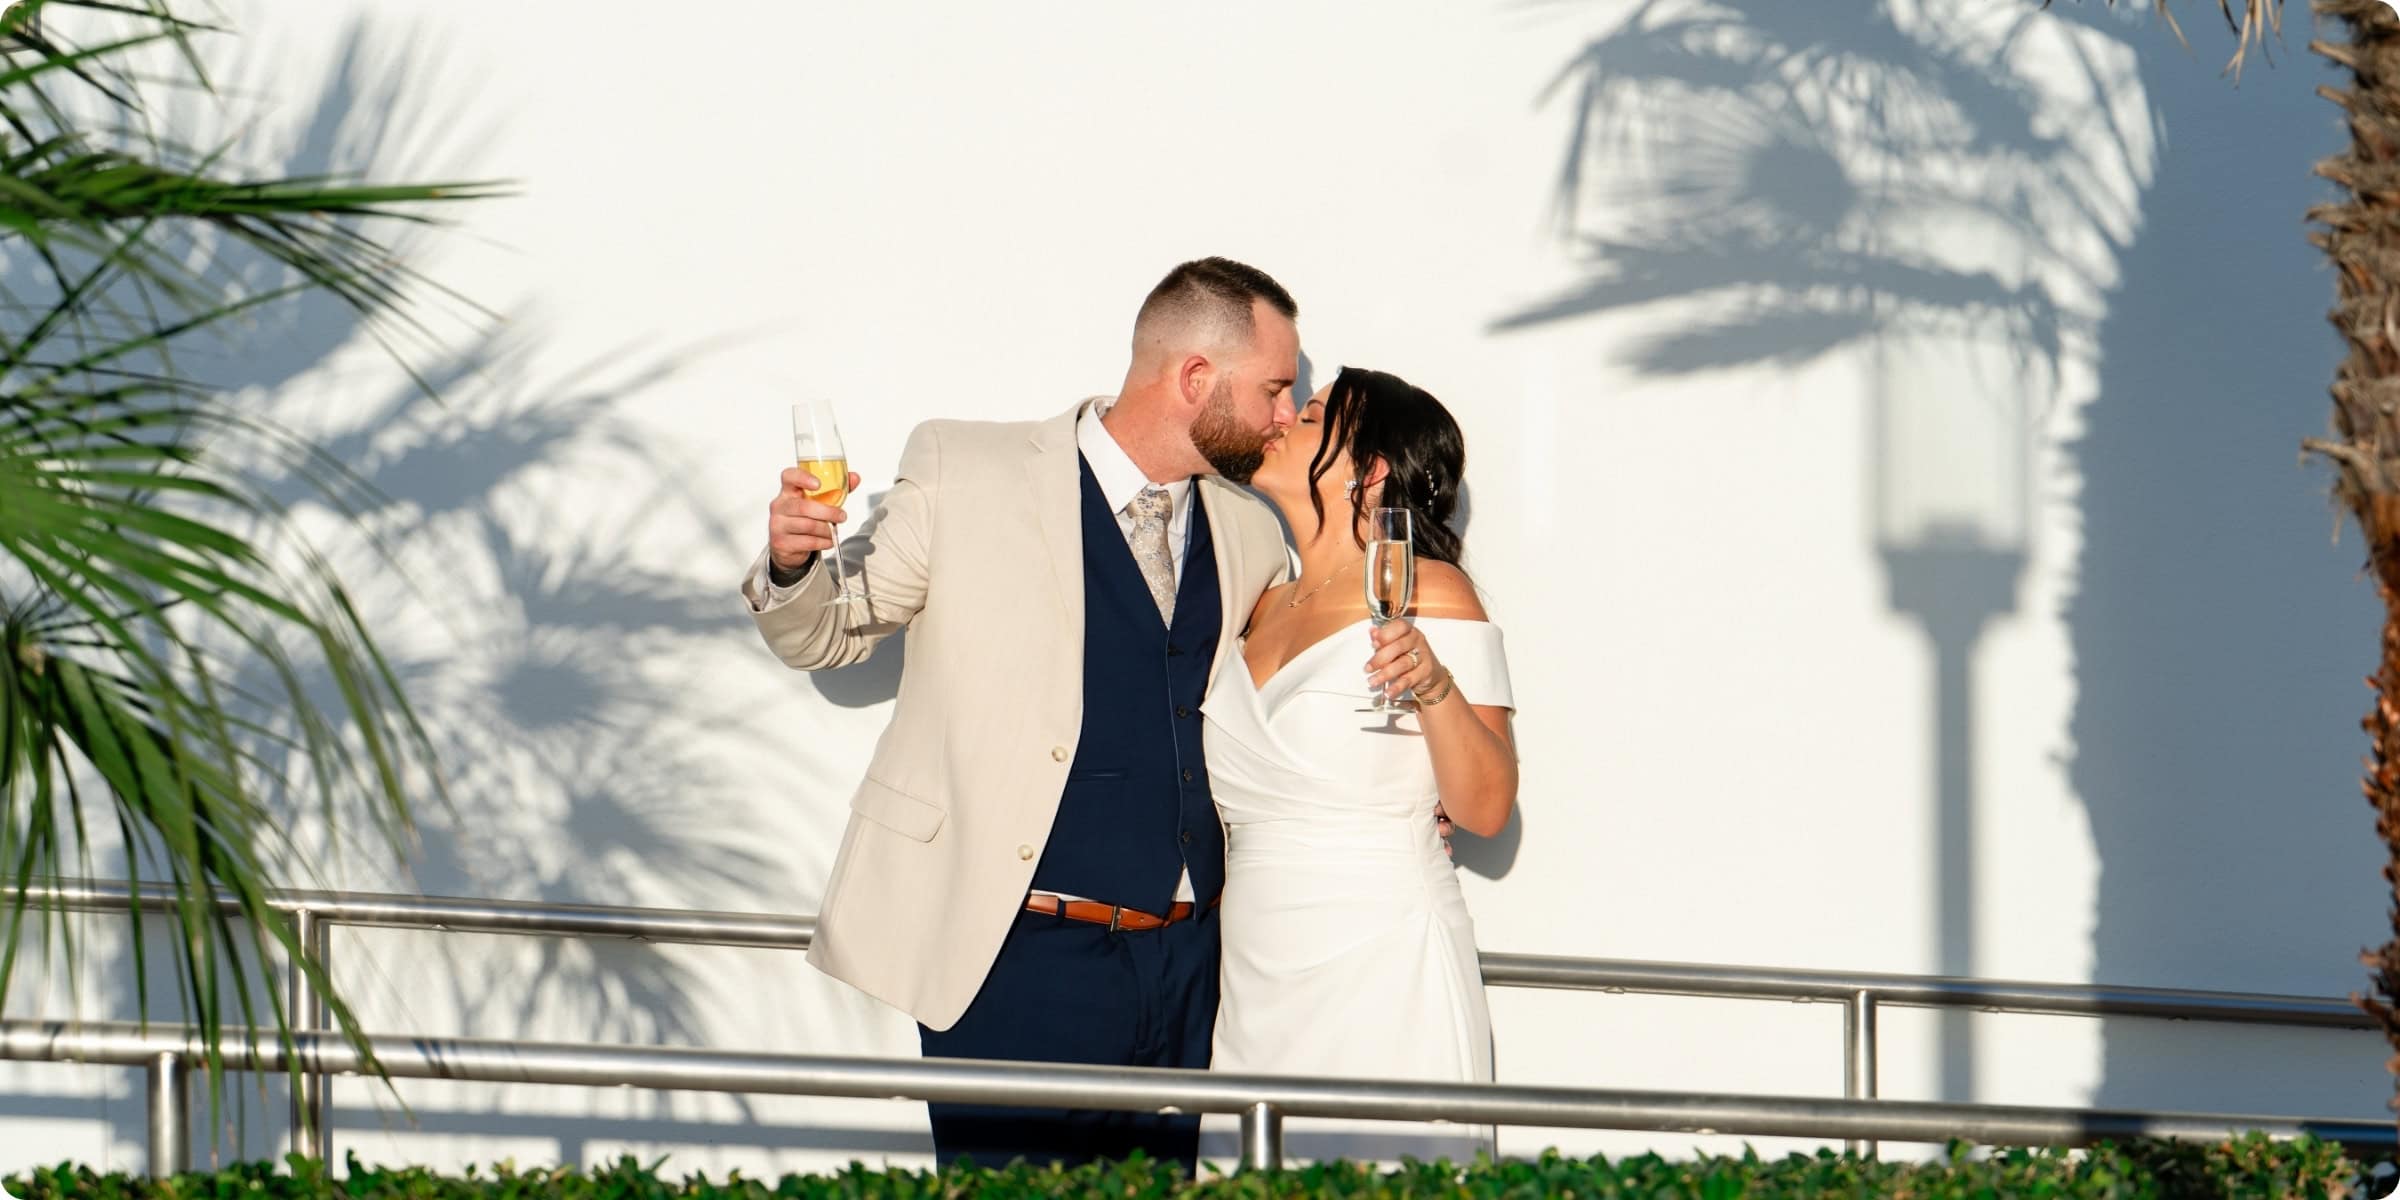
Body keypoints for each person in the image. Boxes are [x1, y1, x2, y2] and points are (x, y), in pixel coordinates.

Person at [742, 257, 1299, 1169]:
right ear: (1195, 378)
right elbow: (834, 633)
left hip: (1189, 966)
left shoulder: (1247, 530)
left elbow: (1271, 702)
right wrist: (797, 567)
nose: (1286, 414)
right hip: (1016, 957)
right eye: (1275, 388)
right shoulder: (969, 468)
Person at [1200, 366, 1519, 1164]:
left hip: (1380, 955)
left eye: (1309, 414)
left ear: (1370, 469)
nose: (1282, 420)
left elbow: (1484, 807)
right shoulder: (1258, 598)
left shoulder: (1429, 592)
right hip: (1251, 974)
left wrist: (1434, 684)